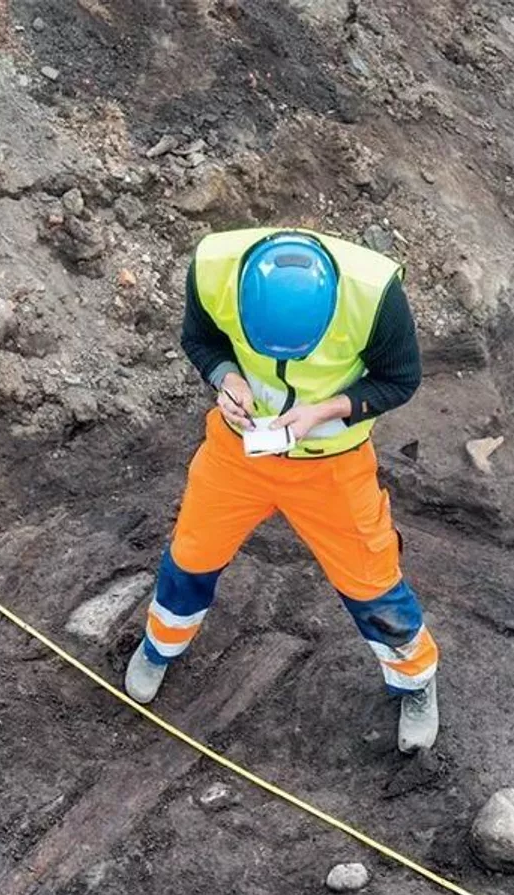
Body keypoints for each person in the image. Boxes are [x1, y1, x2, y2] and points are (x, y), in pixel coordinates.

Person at [123, 227, 440, 752]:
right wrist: (227, 378)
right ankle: (159, 647)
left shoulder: (374, 294)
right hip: (238, 450)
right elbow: (199, 339)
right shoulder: (213, 267)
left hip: (331, 465)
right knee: (192, 555)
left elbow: (400, 378)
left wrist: (325, 410)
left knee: (371, 581)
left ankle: (415, 681)